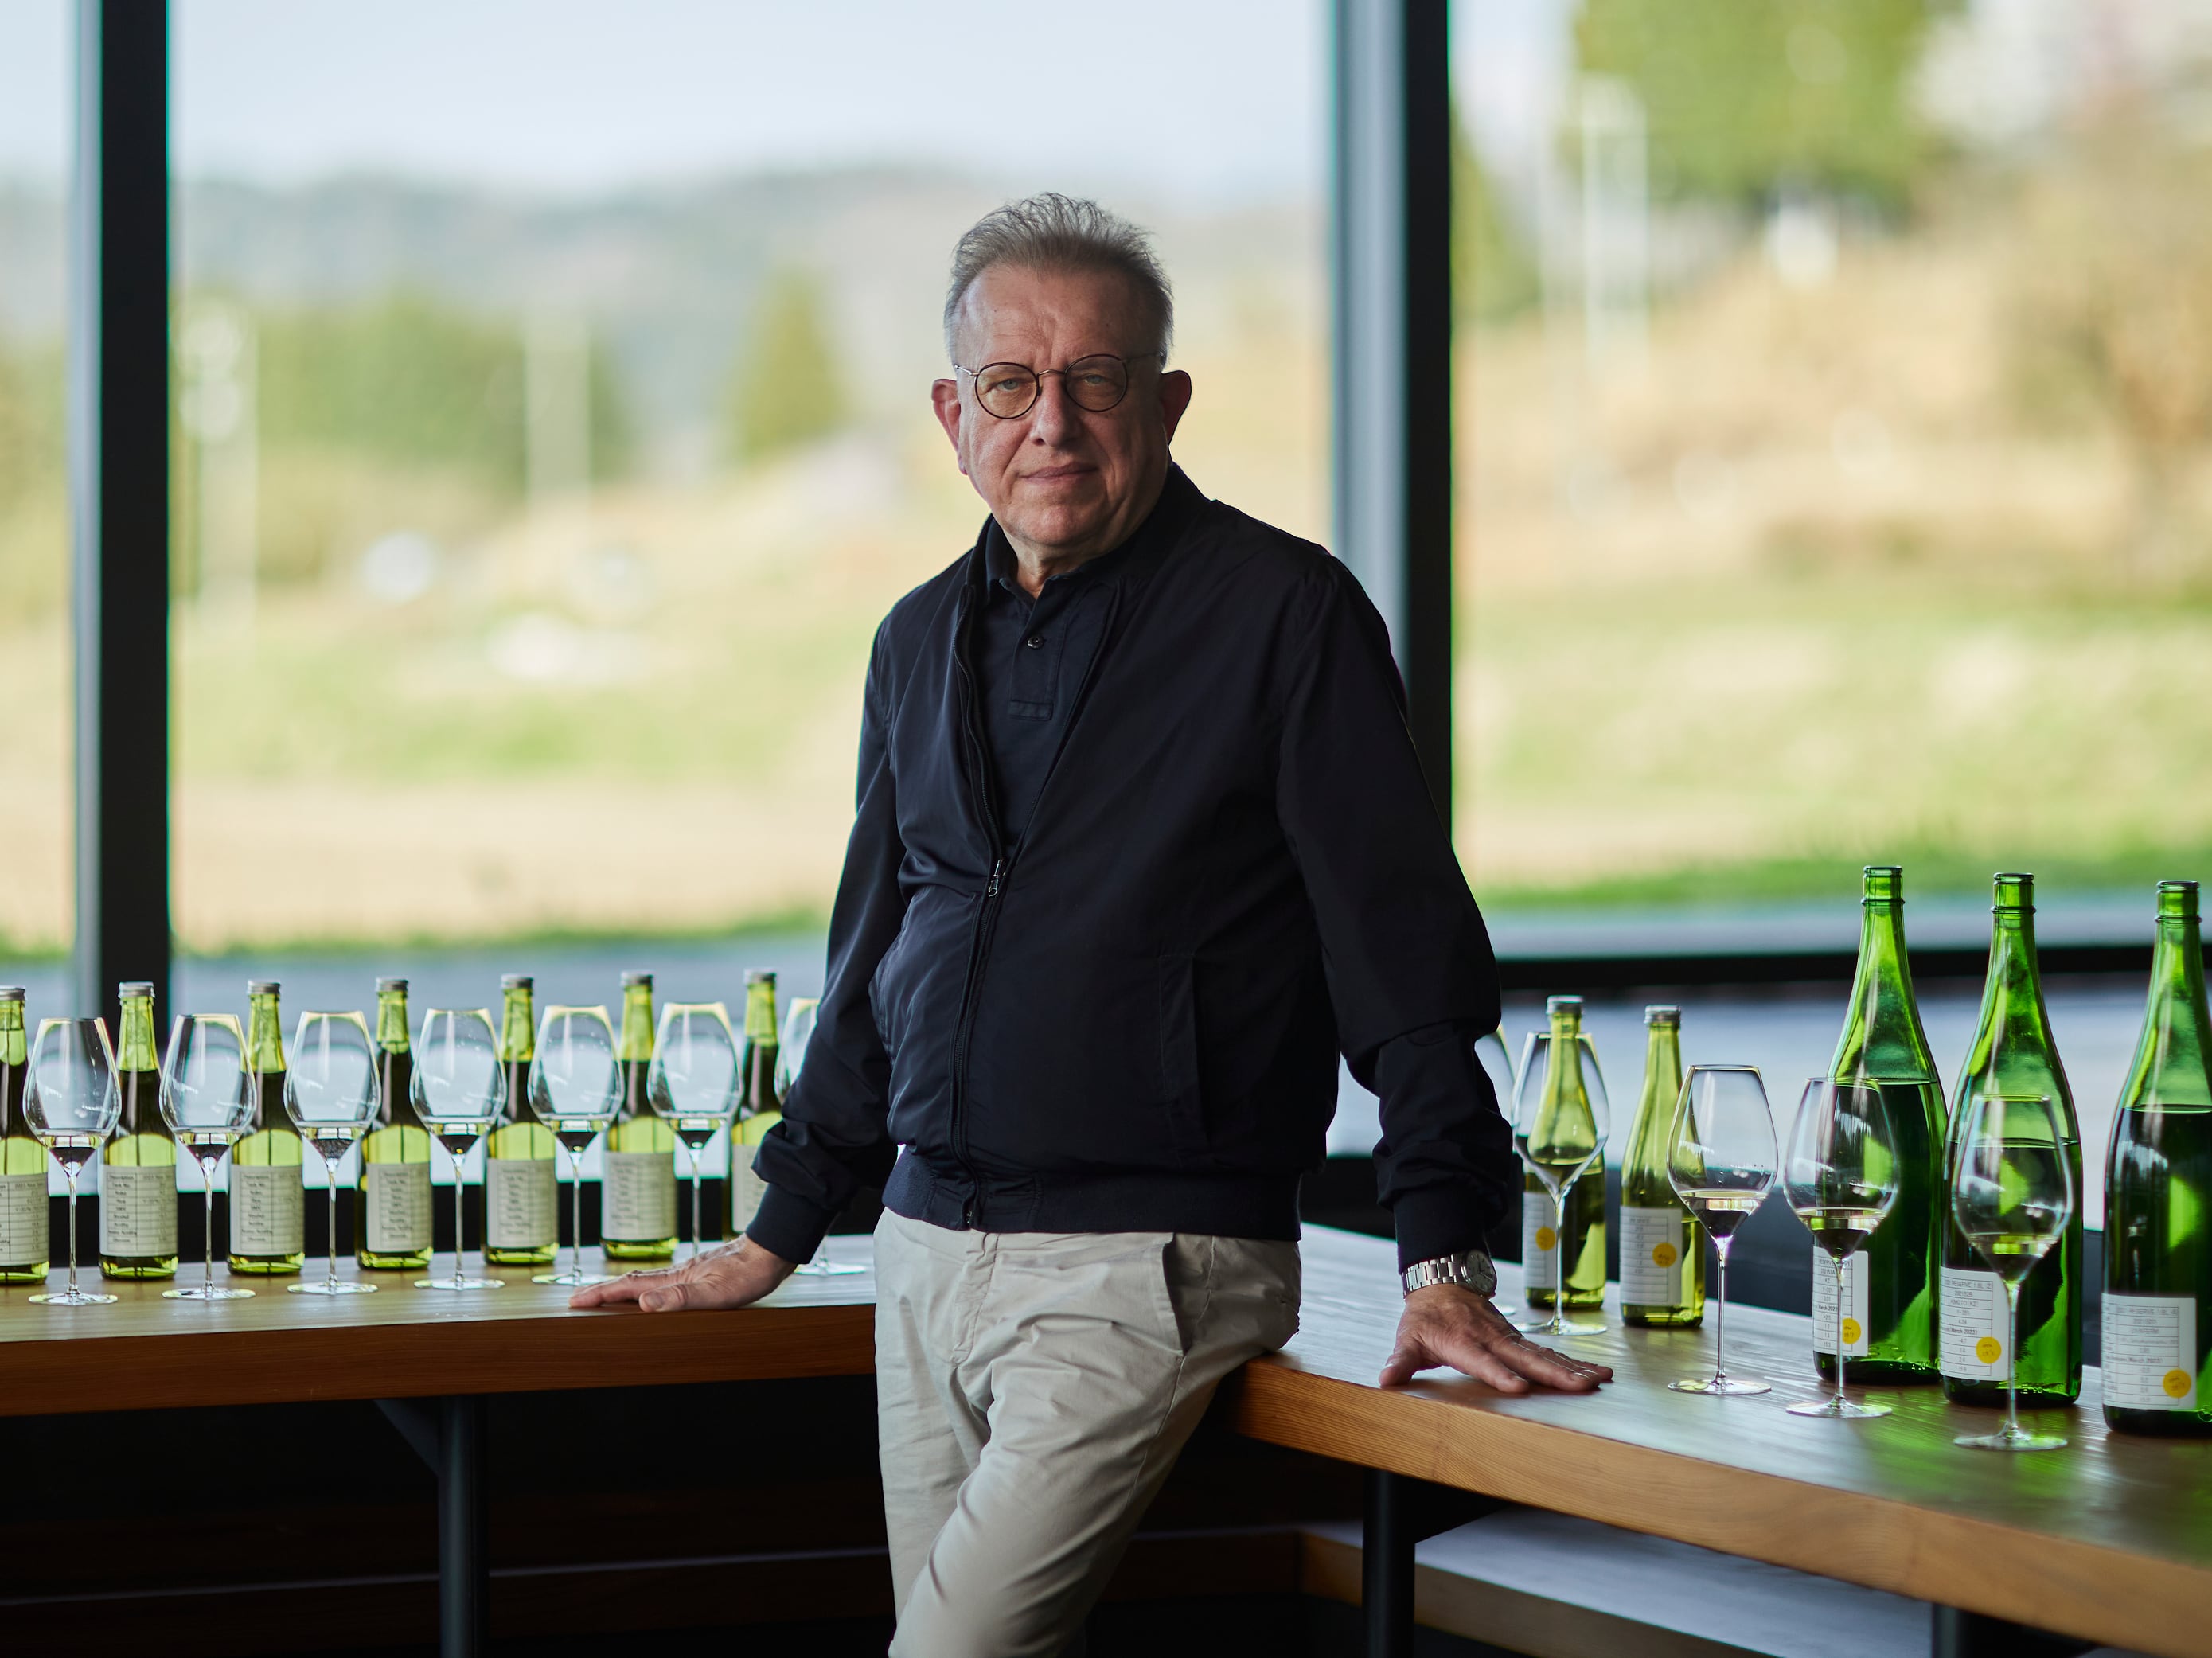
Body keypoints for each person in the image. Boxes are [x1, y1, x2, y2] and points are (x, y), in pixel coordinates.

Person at [575, 193, 1611, 1655]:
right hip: (921, 1256)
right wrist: (781, 1229)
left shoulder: (1286, 615)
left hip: (1150, 1262)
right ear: (955, 417)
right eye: (1010, 385)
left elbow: (1404, 955)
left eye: (1095, 381)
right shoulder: (915, 638)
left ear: (1166, 404)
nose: (1050, 423)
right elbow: (876, 956)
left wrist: (1443, 1256)